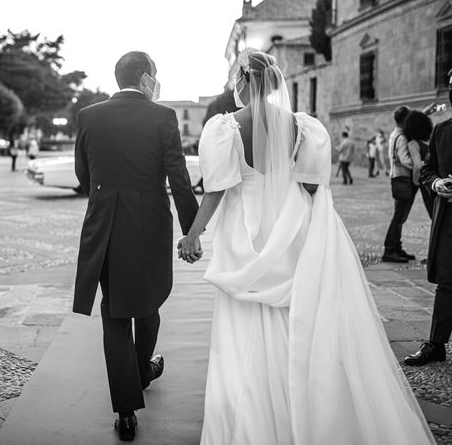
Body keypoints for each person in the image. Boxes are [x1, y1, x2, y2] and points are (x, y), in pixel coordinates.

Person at [178, 51, 435, 445]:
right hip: (290, 228)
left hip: (244, 234)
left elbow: (216, 189)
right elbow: (314, 187)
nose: (234, 85)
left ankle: (252, 417)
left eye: (236, 78)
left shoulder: (225, 127)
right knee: (296, 313)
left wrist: (193, 234)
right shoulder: (303, 127)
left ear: (246, 80)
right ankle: (299, 399)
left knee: (244, 317)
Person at [73, 51, 199, 441]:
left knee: (114, 314)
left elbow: (82, 173)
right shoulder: (162, 116)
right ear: (146, 78)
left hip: (105, 223)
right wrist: (192, 229)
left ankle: (126, 412)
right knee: (149, 305)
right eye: (155, 76)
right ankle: (142, 369)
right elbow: (178, 176)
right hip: (150, 223)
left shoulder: (89, 116)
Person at [404, 70, 452, 366]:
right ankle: (436, 344)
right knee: (447, 281)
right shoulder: (442, 131)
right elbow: (427, 169)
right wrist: (436, 184)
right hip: (449, 217)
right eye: (451, 85)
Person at [382, 106, 417, 263]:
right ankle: (389, 249)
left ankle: (396, 247)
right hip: (402, 178)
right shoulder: (401, 138)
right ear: (404, 120)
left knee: (400, 215)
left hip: (396, 177)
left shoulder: (394, 134)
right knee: (399, 216)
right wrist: (419, 164)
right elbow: (405, 160)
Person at [403, 111, 435, 218]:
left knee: (433, 213)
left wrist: (415, 180)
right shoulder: (431, 140)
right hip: (439, 177)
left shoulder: (413, 143)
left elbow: (418, 166)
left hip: (426, 181)